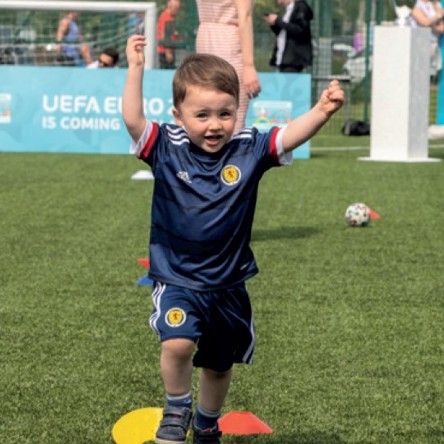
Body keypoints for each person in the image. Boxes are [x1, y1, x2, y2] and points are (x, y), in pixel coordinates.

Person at [122, 35, 344, 444]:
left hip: (228, 285)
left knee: (220, 364)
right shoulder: (165, 147)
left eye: (225, 113)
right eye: (202, 114)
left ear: (236, 112)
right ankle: (177, 407)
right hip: (177, 279)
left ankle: (207, 421)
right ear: (178, 115)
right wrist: (135, 70)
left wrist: (323, 110)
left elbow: (289, 136)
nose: (214, 125)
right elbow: (133, 121)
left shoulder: (249, 149)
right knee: (177, 344)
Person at [195, 0, 261, 134]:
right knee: (221, 118)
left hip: (211, 40)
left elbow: (244, 16)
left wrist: (248, 66)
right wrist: (248, 66)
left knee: (217, 118)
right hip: (221, 43)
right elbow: (245, 16)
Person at [264, 0, 313, 73]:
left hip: (293, 59)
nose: (279, 2)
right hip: (283, 58)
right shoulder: (289, 10)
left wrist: (278, 21)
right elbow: (284, 31)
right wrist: (274, 24)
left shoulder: (300, 7)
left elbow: (299, 29)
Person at [409, 0, 444, 77]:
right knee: (418, 74)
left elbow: (441, 27)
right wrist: (437, 16)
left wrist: (431, 24)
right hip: (419, 45)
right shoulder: (415, 6)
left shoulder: (436, 4)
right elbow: (424, 22)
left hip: (433, 45)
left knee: (428, 75)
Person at [157, 0, 182, 69]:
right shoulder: (165, 17)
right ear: (171, 7)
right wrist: (168, 52)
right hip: (165, 51)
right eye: (177, 8)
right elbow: (163, 34)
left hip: (169, 49)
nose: (178, 10)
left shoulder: (171, 17)